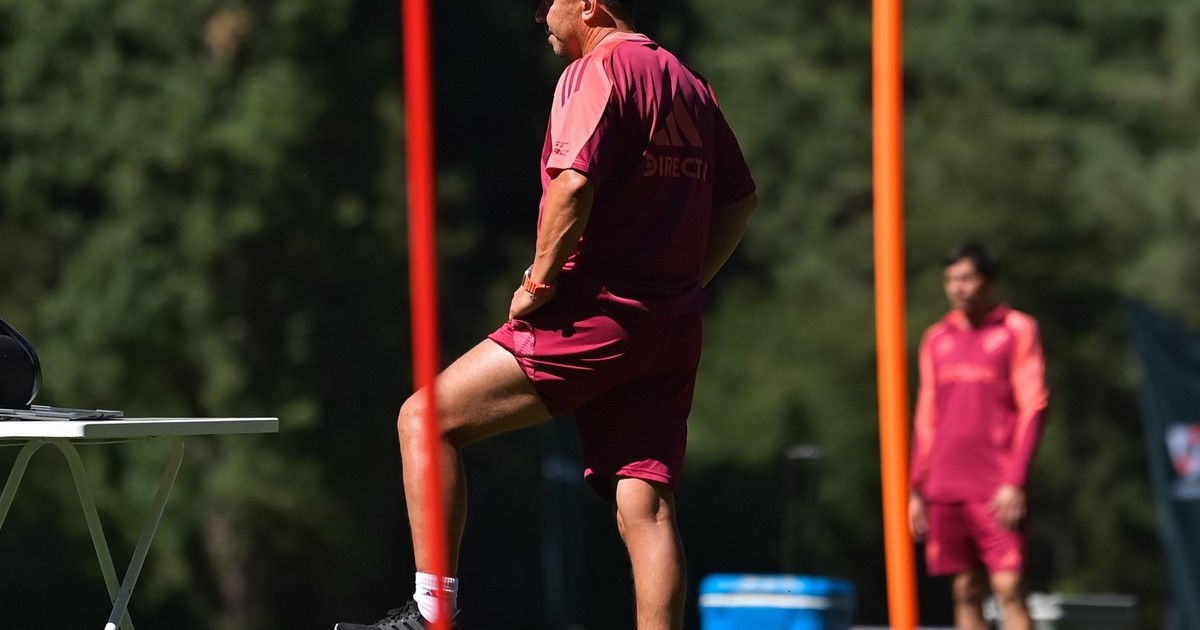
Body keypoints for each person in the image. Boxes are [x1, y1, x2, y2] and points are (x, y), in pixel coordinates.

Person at [335, 0, 757, 628]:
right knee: (648, 510)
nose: (539, 17)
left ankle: (431, 613)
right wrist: (686, 281)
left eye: (545, 4)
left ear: (589, 3)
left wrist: (538, 280)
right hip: (670, 327)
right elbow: (740, 201)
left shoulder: (595, 71)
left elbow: (573, 184)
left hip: (595, 313)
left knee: (425, 421)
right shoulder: (689, 83)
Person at [908, 243, 1049, 630]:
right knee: (965, 589)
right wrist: (917, 487)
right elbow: (926, 416)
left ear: (988, 281)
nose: (958, 288)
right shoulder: (936, 338)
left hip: (995, 485)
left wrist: (1014, 481)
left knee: (1008, 587)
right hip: (945, 485)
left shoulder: (1017, 330)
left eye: (967, 278)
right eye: (951, 280)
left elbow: (1034, 406)